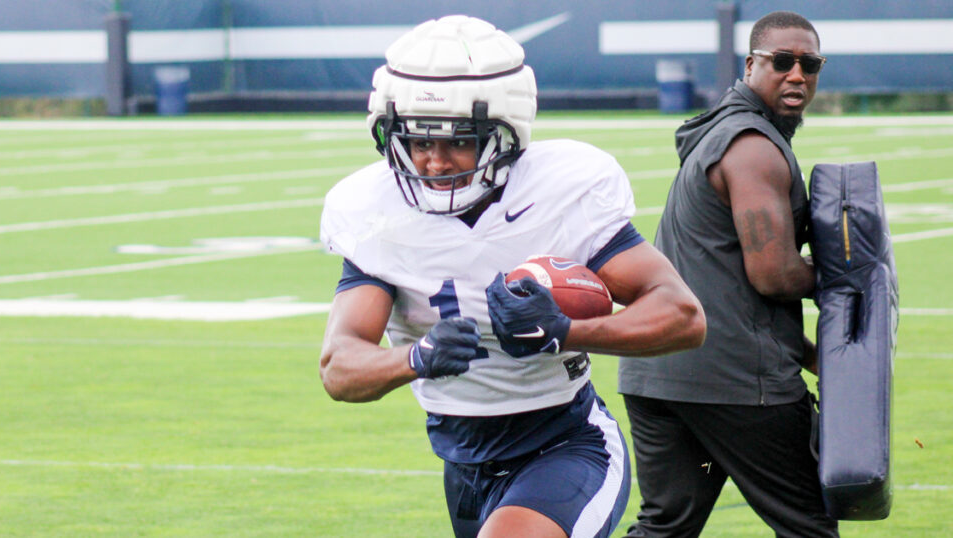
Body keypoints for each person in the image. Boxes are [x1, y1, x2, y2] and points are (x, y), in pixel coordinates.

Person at [319, 15, 705, 538]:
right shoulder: (374, 211)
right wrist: (415, 358)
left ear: (504, 134)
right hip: (463, 462)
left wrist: (565, 332)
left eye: (458, 142)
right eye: (418, 143)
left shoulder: (560, 190)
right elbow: (339, 367)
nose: (434, 163)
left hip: (566, 444)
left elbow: (682, 317)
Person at [618, 11, 839, 538]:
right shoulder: (753, 147)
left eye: (810, 64)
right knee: (809, 525)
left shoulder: (719, 132)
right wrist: (842, 272)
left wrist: (819, 360)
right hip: (736, 384)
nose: (797, 76)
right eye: (782, 62)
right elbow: (774, 276)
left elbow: (729, 287)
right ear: (750, 65)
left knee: (664, 527)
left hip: (659, 374)